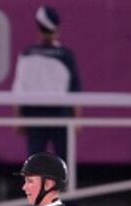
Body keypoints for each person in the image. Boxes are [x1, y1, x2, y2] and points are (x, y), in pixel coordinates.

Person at [11, 5, 82, 161]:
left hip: (35, 115)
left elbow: (19, 90)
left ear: (38, 26)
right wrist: (77, 119)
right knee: (63, 162)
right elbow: (75, 90)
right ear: (58, 28)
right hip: (60, 114)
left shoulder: (27, 54)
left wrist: (18, 118)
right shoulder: (66, 55)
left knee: (34, 163)